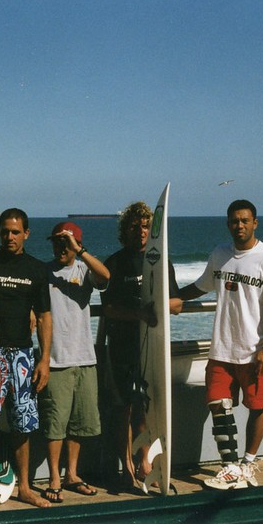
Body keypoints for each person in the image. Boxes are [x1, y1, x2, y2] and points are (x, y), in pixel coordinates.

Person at [175, 199, 263, 490]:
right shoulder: (220, 254)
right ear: (228, 224)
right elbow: (202, 285)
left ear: (255, 223)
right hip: (222, 348)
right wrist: (174, 299)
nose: (239, 226)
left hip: (255, 351)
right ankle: (230, 468)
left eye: (244, 220)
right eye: (234, 221)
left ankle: (248, 464)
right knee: (218, 405)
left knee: (257, 407)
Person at [0, 208, 52, 511]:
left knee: (23, 423)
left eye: (15, 232)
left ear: (26, 234)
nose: (9, 237)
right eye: (4, 231)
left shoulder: (36, 269)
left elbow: (44, 316)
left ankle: (25, 488)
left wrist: (44, 360)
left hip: (22, 355)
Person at [98, 202, 181, 489]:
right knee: (122, 408)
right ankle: (127, 464)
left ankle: (146, 462)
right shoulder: (115, 262)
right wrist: (139, 313)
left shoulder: (161, 261)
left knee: (146, 407)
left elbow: (177, 304)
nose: (141, 231)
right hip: (121, 347)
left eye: (146, 226)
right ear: (126, 231)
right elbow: (107, 308)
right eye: (135, 226)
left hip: (152, 347)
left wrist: (155, 308)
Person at [39, 222, 110, 503]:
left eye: (64, 243)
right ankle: (55, 477)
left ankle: (73, 474)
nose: (59, 248)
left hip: (84, 357)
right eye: (56, 242)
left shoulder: (84, 271)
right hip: (55, 359)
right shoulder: (43, 272)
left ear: (75, 244)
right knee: (56, 422)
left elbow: (105, 276)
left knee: (79, 423)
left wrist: (80, 251)